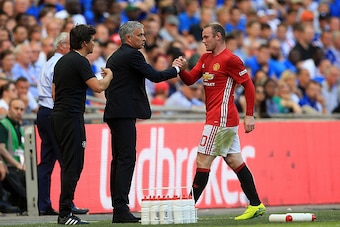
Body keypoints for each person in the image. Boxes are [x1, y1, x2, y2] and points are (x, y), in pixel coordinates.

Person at [176, 22, 266, 220]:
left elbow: (249, 86)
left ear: (218, 37)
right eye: (202, 37)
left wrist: (249, 114)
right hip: (218, 118)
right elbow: (191, 79)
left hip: (221, 119)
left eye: (206, 37)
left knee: (202, 160)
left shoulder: (231, 60)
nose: (203, 40)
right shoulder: (205, 58)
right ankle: (256, 204)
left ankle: (187, 208)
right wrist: (182, 69)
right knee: (234, 160)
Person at [104, 21, 183, 223]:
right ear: (129, 37)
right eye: (140, 35)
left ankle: (119, 208)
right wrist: (175, 69)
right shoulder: (131, 55)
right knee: (126, 159)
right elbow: (154, 76)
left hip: (117, 113)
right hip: (123, 114)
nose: (144, 38)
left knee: (120, 159)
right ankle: (120, 209)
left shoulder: (118, 55)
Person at [51, 24, 113, 225]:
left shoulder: (61, 62)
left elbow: (54, 93)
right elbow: (98, 87)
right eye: (93, 40)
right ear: (85, 43)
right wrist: (109, 76)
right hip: (70, 117)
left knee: (69, 164)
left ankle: (65, 211)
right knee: (73, 165)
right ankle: (65, 213)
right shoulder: (80, 61)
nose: (94, 43)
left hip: (59, 115)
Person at [37, 32, 89, 216]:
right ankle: (67, 205)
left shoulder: (50, 62)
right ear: (61, 46)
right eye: (70, 44)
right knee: (67, 160)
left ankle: (43, 204)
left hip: (43, 111)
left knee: (47, 161)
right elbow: (55, 91)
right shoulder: (62, 63)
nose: (73, 46)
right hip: (56, 112)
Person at [0, 98, 27, 213]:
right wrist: (17, 164)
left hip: (19, 167)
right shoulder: (3, 125)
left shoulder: (19, 128)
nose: (19, 112)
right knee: (25, 194)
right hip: (9, 166)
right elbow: (1, 149)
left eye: (21, 109)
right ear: (8, 109)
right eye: (16, 108)